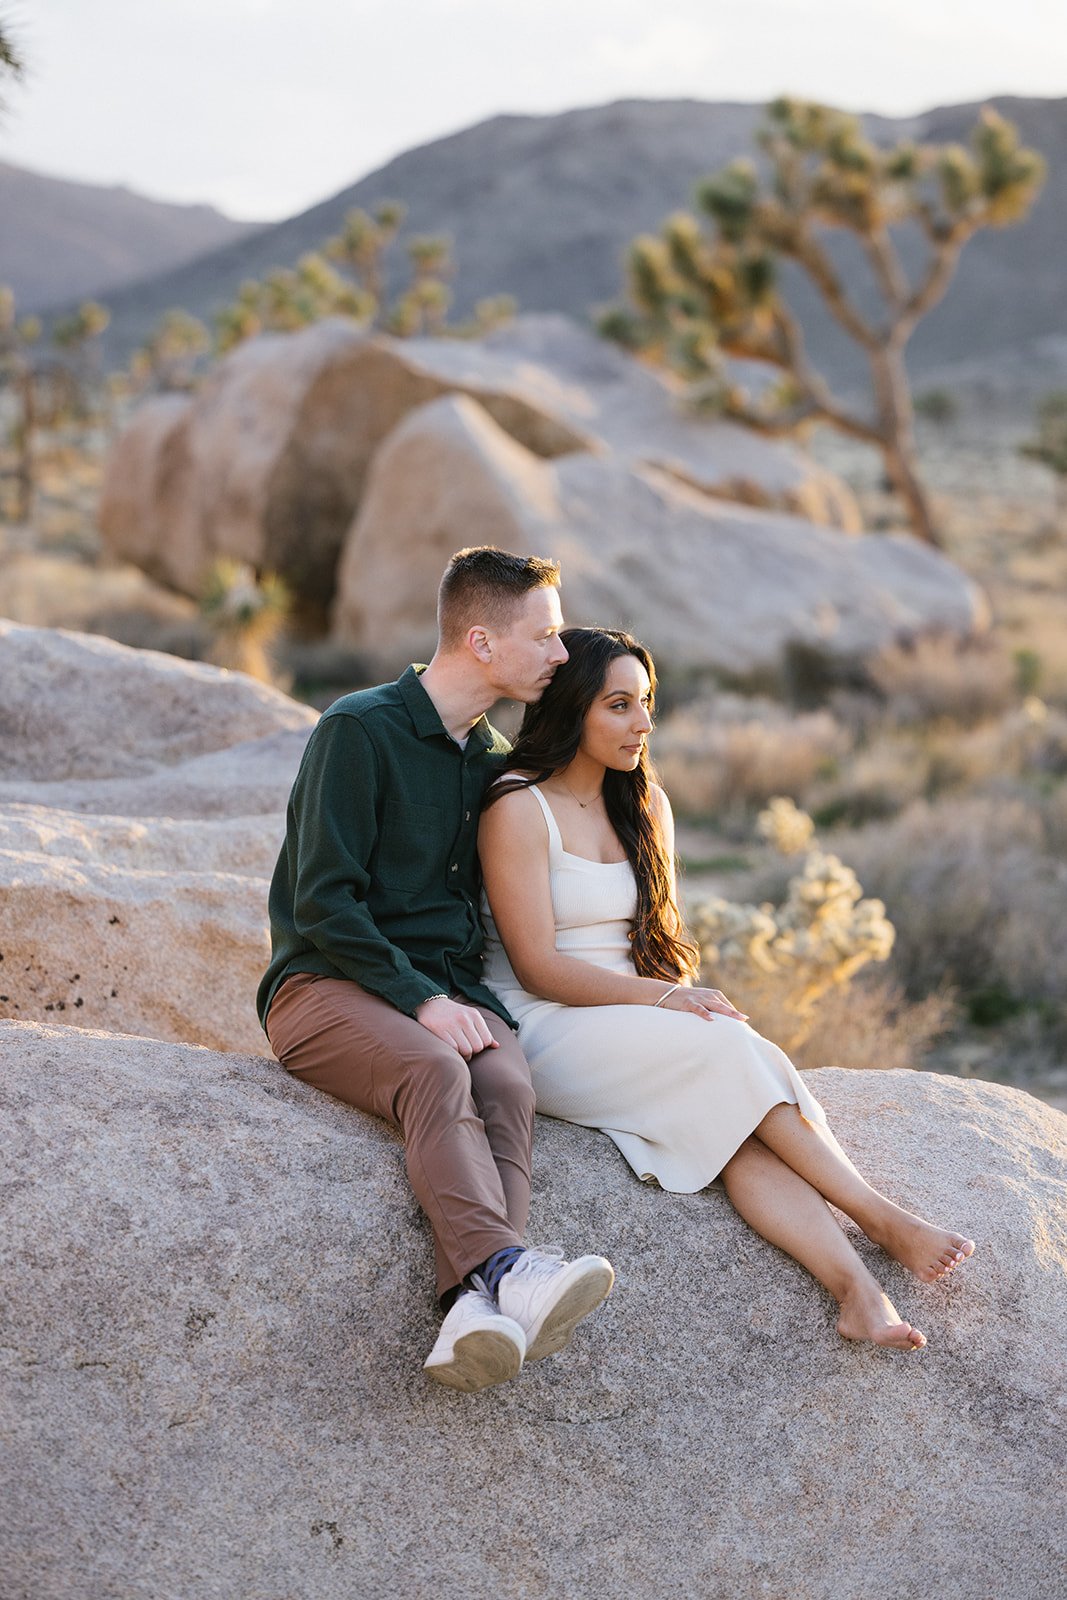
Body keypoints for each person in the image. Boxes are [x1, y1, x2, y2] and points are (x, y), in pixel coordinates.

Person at [478, 626, 975, 1352]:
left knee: (734, 1124)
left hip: (636, 1014)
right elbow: (535, 967)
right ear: (572, 710)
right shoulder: (517, 804)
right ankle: (879, 1218)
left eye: (645, 703)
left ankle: (857, 1294)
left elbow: (659, 941)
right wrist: (668, 1002)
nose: (642, 723)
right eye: (618, 705)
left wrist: (671, 996)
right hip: (543, 1021)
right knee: (726, 1059)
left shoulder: (644, 803)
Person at [258, 550, 614, 1392]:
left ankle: (475, 1306)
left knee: (507, 1081)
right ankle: (508, 1269)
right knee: (433, 1068)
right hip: (320, 989)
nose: (560, 654)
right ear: (482, 641)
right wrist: (422, 1001)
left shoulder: (491, 760)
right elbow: (322, 903)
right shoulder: (360, 728)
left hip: (442, 989)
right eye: (547, 635)